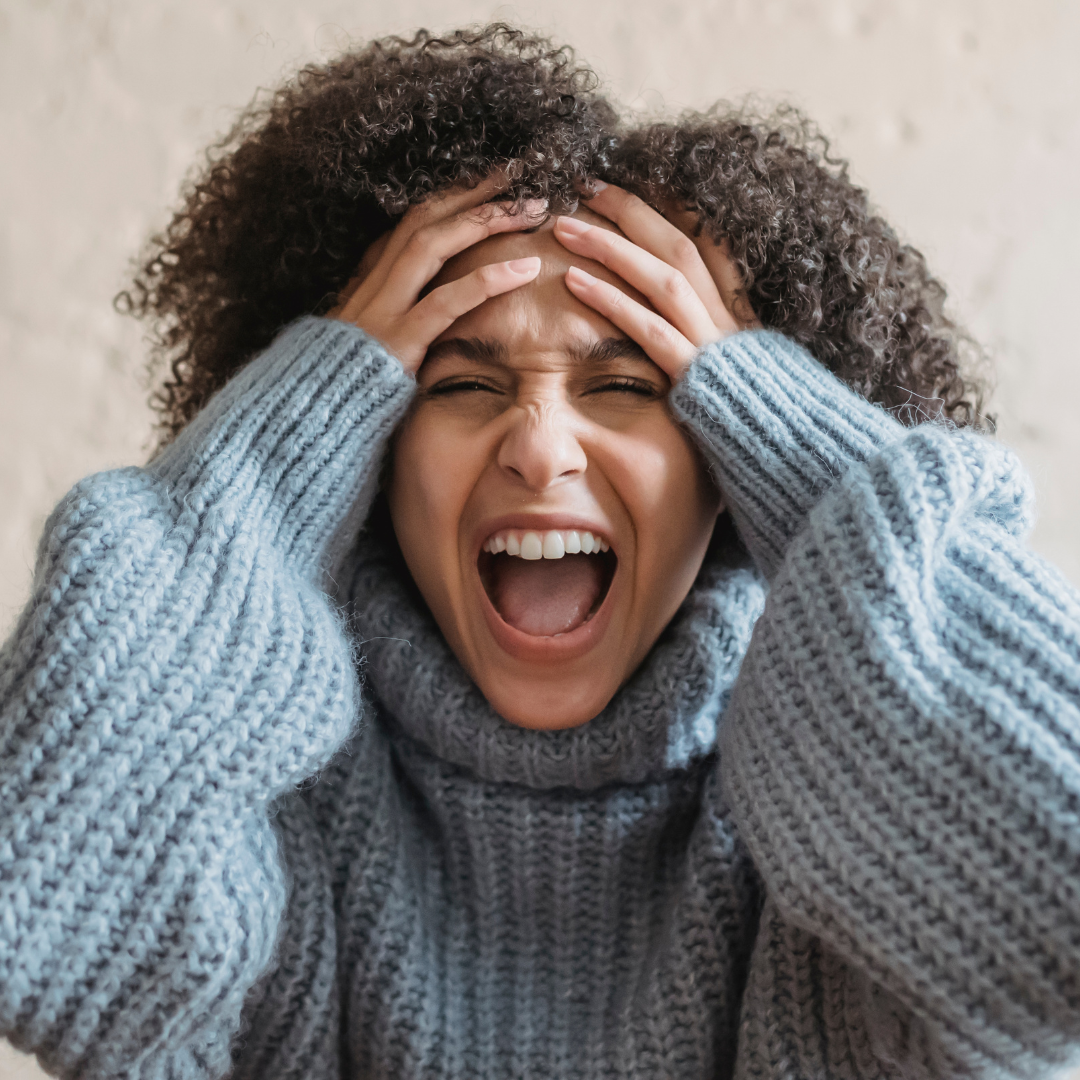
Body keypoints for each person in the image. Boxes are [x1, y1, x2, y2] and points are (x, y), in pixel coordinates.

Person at [2, 23, 1079, 1080]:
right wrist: (281, 452)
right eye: (461, 385)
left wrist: (804, 457)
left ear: (728, 456)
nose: (538, 447)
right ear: (369, 444)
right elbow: (34, 917)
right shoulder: (258, 800)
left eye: (627, 388)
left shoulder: (864, 811)